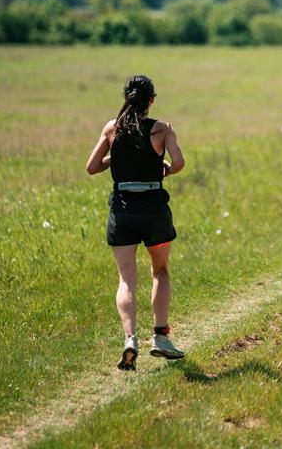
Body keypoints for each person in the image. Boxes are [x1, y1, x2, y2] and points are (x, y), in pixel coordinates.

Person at [85, 74, 187, 371]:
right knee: (161, 271)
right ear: (151, 100)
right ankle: (161, 337)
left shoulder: (111, 129)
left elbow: (92, 167)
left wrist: (116, 160)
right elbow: (179, 164)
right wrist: (163, 169)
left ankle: (130, 339)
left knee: (127, 279)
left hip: (123, 209)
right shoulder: (162, 129)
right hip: (154, 208)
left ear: (126, 98)